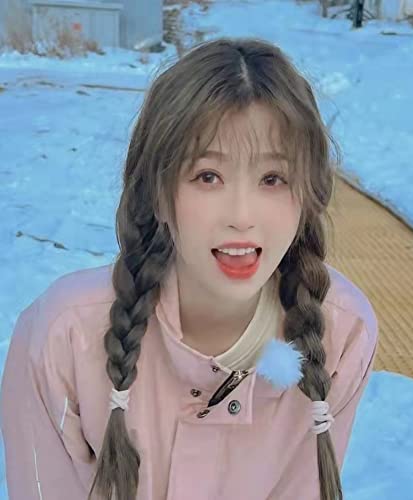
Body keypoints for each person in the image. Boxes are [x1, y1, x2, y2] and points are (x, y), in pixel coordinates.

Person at [0, 37, 379, 500]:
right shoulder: (63, 336)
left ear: (309, 197)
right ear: (158, 194)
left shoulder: (341, 332)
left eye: (273, 178)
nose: (241, 216)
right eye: (207, 176)